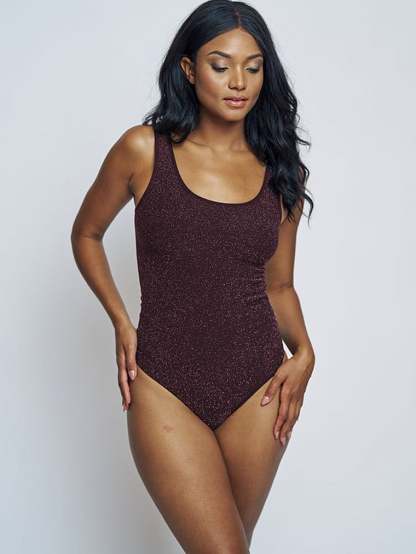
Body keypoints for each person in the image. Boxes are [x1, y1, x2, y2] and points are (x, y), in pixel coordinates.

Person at [71, 1, 315, 552]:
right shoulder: (143, 150)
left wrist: (305, 352)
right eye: (220, 65)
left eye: (253, 67)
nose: (238, 82)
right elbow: (86, 234)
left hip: (259, 388)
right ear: (188, 69)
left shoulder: (282, 173)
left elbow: (278, 286)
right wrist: (121, 321)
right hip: (164, 382)